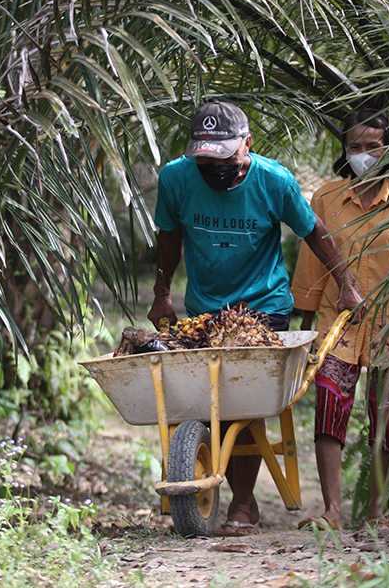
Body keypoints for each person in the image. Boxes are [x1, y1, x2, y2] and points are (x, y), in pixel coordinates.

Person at [148, 101, 364, 536]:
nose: (215, 168)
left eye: (224, 158)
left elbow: (314, 231)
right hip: (206, 307)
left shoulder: (273, 181)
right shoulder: (175, 179)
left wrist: (347, 283)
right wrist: (161, 293)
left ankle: (243, 503)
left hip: (263, 306)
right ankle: (224, 491)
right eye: (205, 160)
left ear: (247, 143)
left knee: (240, 399)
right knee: (207, 398)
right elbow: (169, 238)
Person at [291, 107, 389, 531]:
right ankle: (333, 512)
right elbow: (310, 265)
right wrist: (304, 329)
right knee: (329, 409)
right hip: (336, 324)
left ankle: (378, 512)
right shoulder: (325, 199)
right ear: (345, 150)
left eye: (373, 147)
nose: (363, 155)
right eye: (355, 147)